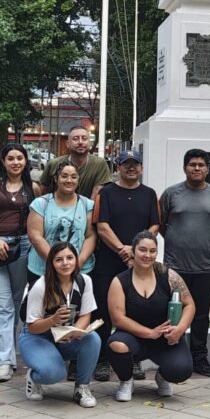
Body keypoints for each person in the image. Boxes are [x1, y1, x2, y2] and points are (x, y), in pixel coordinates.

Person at [93, 150, 160, 382]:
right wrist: (123, 249)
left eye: (135, 164)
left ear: (141, 167)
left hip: (139, 264)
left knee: (136, 310)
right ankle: (101, 360)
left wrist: (135, 248)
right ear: (118, 167)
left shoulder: (149, 194)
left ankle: (134, 359)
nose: (131, 168)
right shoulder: (107, 193)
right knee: (103, 312)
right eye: (126, 164)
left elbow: (154, 225)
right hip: (109, 261)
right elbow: (102, 226)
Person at [159, 149, 210, 377]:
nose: (196, 168)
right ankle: (171, 353)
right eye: (192, 164)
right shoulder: (171, 194)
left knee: (201, 314)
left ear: (208, 169)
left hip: (205, 265)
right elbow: (161, 224)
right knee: (173, 312)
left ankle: (200, 356)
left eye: (201, 165)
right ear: (184, 167)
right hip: (175, 266)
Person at [0, 143, 39, 382]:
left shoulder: (33, 188)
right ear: (3, 161)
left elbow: (37, 218)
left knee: (14, 301)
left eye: (19, 158)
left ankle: (8, 353)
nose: (15, 162)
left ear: (25, 161)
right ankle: (4, 360)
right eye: (10, 158)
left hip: (23, 248)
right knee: (2, 306)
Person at [107, 232, 195, 401]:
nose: (147, 255)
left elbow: (189, 304)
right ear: (133, 251)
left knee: (181, 370)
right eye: (142, 250)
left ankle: (162, 377)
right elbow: (118, 318)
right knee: (116, 345)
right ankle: (126, 380)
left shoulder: (169, 276)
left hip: (165, 337)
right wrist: (150, 333)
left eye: (152, 251)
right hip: (132, 337)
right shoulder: (120, 281)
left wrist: (180, 329)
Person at [20, 241, 101, 407]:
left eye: (70, 258)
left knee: (93, 338)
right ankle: (34, 377)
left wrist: (74, 332)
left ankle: (82, 387)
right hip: (38, 336)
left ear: (76, 260)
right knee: (54, 374)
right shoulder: (41, 286)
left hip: (65, 335)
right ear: (51, 263)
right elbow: (32, 327)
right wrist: (53, 320)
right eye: (59, 259)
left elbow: (86, 315)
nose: (65, 263)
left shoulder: (84, 281)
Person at [28, 162, 96, 283]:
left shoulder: (87, 205)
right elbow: (35, 237)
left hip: (79, 270)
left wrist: (78, 263)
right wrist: (57, 262)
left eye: (74, 177)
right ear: (55, 179)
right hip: (44, 270)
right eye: (64, 176)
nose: (69, 180)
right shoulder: (41, 204)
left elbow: (90, 236)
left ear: (78, 180)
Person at [38, 125, 113, 198]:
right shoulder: (54, 164)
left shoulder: (99, 164)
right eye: (75, 139)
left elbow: (96, 193)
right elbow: (43, 191)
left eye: (84, 138)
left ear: (89, 143)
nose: (80, 142)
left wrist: (87, 210)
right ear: (68, 144)